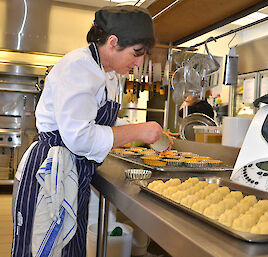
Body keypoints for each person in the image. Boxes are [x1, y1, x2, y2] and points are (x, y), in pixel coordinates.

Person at [11, 5, 163, 257]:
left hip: (76, 173)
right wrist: (138, 131)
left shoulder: (111, 73)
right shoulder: (79, 67)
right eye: (136, 53)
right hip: (51, 175)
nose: (139, 62)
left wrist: (144, 132)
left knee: (70, 248)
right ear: (113, 42)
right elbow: (79, 137)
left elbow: (99, 123)